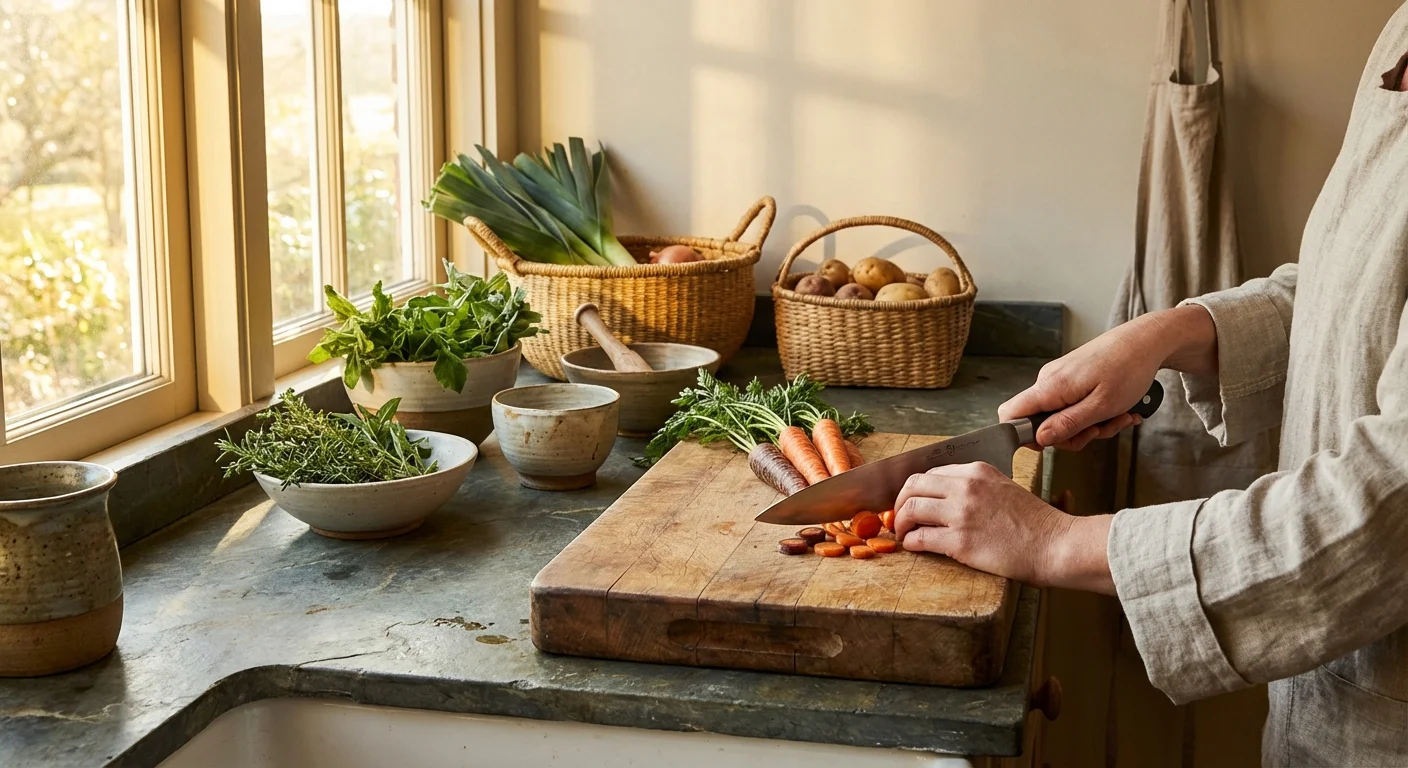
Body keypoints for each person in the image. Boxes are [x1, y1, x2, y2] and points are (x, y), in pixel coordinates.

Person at [893, 4, 1408, 765]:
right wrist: (1171, 332)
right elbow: (1356, 289)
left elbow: (1384, 509)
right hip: (1329, 708)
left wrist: (1055, 542)